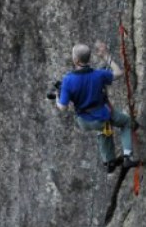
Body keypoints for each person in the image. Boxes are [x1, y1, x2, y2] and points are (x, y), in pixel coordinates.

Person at [56, 41, 139, 173]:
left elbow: (63, 107)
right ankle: (127, 156)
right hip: (102, 114)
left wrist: (57, 98)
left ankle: (109, 160)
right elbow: (118, 73)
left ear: (76, 60)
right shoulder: (99, 74)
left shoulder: (68, 80)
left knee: (102, 127)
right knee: (126, 122)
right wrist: (105, 55)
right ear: (88, 58)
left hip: (85, 121)